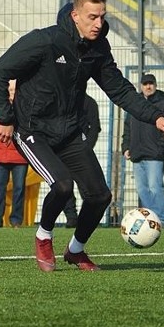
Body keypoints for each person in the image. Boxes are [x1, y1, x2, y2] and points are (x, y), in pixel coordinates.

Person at [0, 0, 164, 272]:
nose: (99, 24)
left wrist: (154, 116)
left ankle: (75, 250)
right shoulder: (45, 41)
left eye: (102, 17)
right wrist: (6, 117)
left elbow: (120, 90)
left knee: (100, 195)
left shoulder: (97, 48)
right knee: (62, 185)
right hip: (33, 130)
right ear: (75, 15)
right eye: (92, 17)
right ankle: (43, 236)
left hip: (69, 131)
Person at [121, 74, 164, 227]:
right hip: (137, 155)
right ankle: (149, 221)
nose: (148, 86)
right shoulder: (135, 105)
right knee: (142, 189)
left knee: (155, 187)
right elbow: (127, 128)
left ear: (155, 85)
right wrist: (126, 147)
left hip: (154, 156)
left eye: (151, 83)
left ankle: (162, 220)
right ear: (140, 86)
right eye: (145, 84)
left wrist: (161, 150)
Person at [0, 80, 29, 228]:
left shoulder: (24, 107)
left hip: (19, 156)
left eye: (14, 89)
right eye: (10, 89)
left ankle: (15, 220)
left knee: (19, 188)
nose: (12, 92)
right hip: (2, 154)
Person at [62, 94, 100, 228]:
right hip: (62, 149)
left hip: (81, 150)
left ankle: (88, 218)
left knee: (86, 187)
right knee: (65, 186)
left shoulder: (89, 103)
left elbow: (94, 127)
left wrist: (87, 147)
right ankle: (71, 217)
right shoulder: (62, 99)